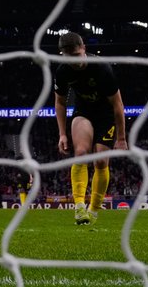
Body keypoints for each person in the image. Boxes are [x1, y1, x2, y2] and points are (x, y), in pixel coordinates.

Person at [53, 31, 128, 226]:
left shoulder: (102, 68)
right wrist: (62, 133)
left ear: (84, 48)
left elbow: (118, 105)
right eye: (69, 58)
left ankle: (93, 210)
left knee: (101, 161)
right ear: (62, 55)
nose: (74, 61)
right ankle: (79, 207)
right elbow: (60, 103)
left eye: (77, 56)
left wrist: (121, 138)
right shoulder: (62, 71)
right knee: (81, 153)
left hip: (106, 115)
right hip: (83, 112)